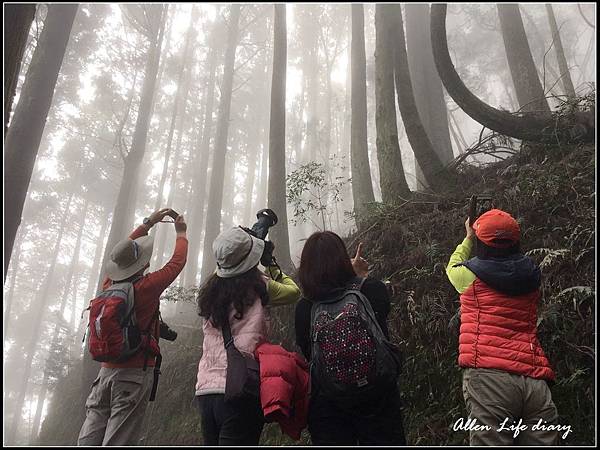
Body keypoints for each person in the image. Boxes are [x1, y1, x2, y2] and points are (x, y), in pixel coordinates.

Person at [446, 209, 558, 446]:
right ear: (516, 241)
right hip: (534, 378)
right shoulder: (531, 274)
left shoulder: (469, 275)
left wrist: (467, 237)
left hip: (488, 378)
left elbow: (452, 266)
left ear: (481, 242)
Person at [78, 208, 188, 446]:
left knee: (90, 435)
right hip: (132, 374)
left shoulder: (109, 284)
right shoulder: (146, 287)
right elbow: (177, 262)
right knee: (119, 439)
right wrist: (181, 232)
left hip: (104, 373)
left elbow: (121, 252)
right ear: (143, 262)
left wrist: (148, 223)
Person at [295, 231, 406, 446]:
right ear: (343, 259)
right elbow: (381, 322)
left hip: (328, 403)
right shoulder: (371, 289)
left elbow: (309, 352)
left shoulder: (304, 308)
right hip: (377, 395)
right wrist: (360, 279)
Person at [194, 226, 302, 446]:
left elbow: (228, 268)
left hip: (205, 390)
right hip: (240, 387)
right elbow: (293, 291)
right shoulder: (259, 286)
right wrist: (270, 262)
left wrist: (241, 252)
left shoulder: (209, 293)